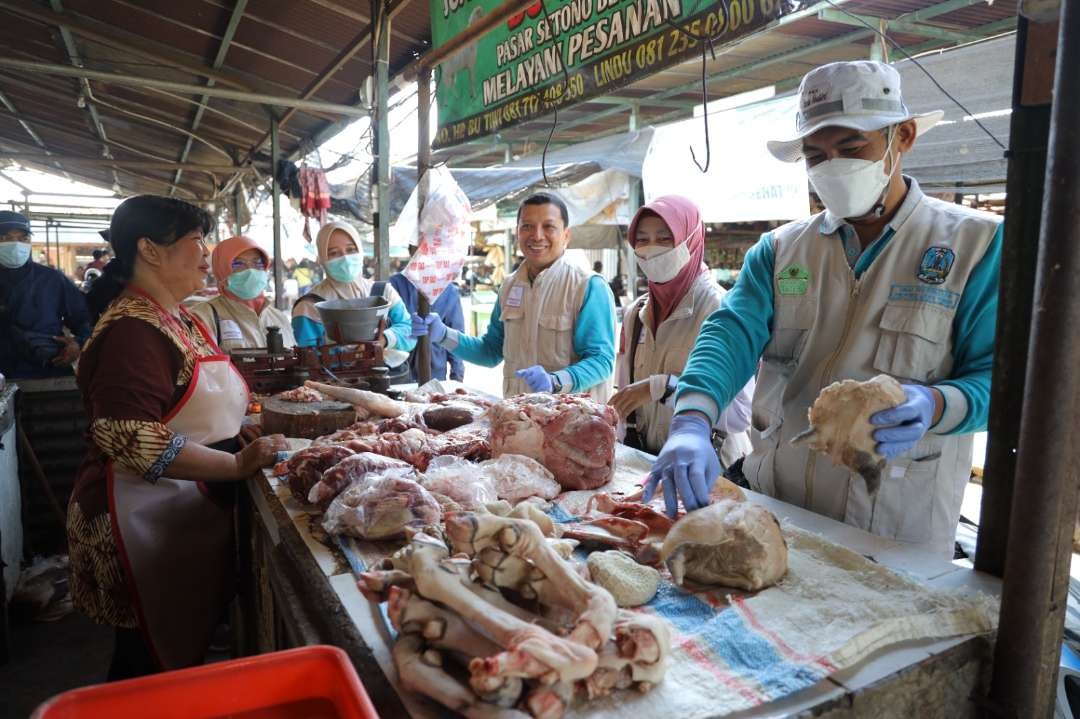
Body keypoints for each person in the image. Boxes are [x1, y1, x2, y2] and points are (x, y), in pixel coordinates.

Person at [646, 61, 1002, 559]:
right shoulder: (781, 249)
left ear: (903, 137)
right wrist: (691, 419)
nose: (832, 164)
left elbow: (1001, 379)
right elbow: (729, 335)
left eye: (852, 147)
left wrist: (937, 405)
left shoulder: (974, 244)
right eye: (816, 154)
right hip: (776, 507)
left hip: (894, 523)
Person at [69, 195, 288, 679]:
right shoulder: (132, 328)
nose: (206, 253)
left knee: (174, 654)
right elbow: (126, 434)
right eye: (196, 241)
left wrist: (243, 427)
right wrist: (234, 464)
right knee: (144, 665)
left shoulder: (179, 316)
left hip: (180, 506)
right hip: (135, 518)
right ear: (149, 250)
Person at [412, 193, 616, 399]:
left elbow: (601, 361)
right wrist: (444, 335)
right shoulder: (510, 286)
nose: (537, 236)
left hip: (572, 421)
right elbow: (490, 352)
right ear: (517, 232)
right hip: (520, 418)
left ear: (566, 235)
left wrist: (556, 381)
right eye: (527, 226)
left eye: (548, 227)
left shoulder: (587, 286)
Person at [610, 196, 755, 469]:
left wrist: (665, 389)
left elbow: (740, 414)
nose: (652, 248)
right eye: (642, 239)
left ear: (692, 239)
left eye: (665, 238)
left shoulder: (722, 310)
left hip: (710, 468)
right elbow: (626, 400)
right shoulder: (636, 314)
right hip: (647, 462)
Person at [291, 221, 416, 361]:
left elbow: (410, 331)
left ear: (360, 252)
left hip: (392, 378)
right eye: (333, 253)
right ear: (321, 259)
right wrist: (345, 353)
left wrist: (385, 339)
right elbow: (308, 358)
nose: (345, 258)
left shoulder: (383, 292)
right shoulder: (309, 306)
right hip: (331, 382)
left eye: (351, 250)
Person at [0, 210, 92, 379]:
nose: (15, 244)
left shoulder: (52, 279)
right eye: (5, 238)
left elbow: (83, 318)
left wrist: (78, 343)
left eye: (23, 238)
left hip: (45, 372)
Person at [189, 235, 296, 351]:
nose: (250, 270)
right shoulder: (203, 317)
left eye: (257, 263)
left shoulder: (279, 317)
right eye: (239, 264)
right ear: (221, 271)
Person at [388, 271, 465, 383]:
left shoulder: (448, 290)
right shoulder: (393, 285)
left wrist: (457, 376)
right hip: (399, 371)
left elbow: (456, 333)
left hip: (435, 371)